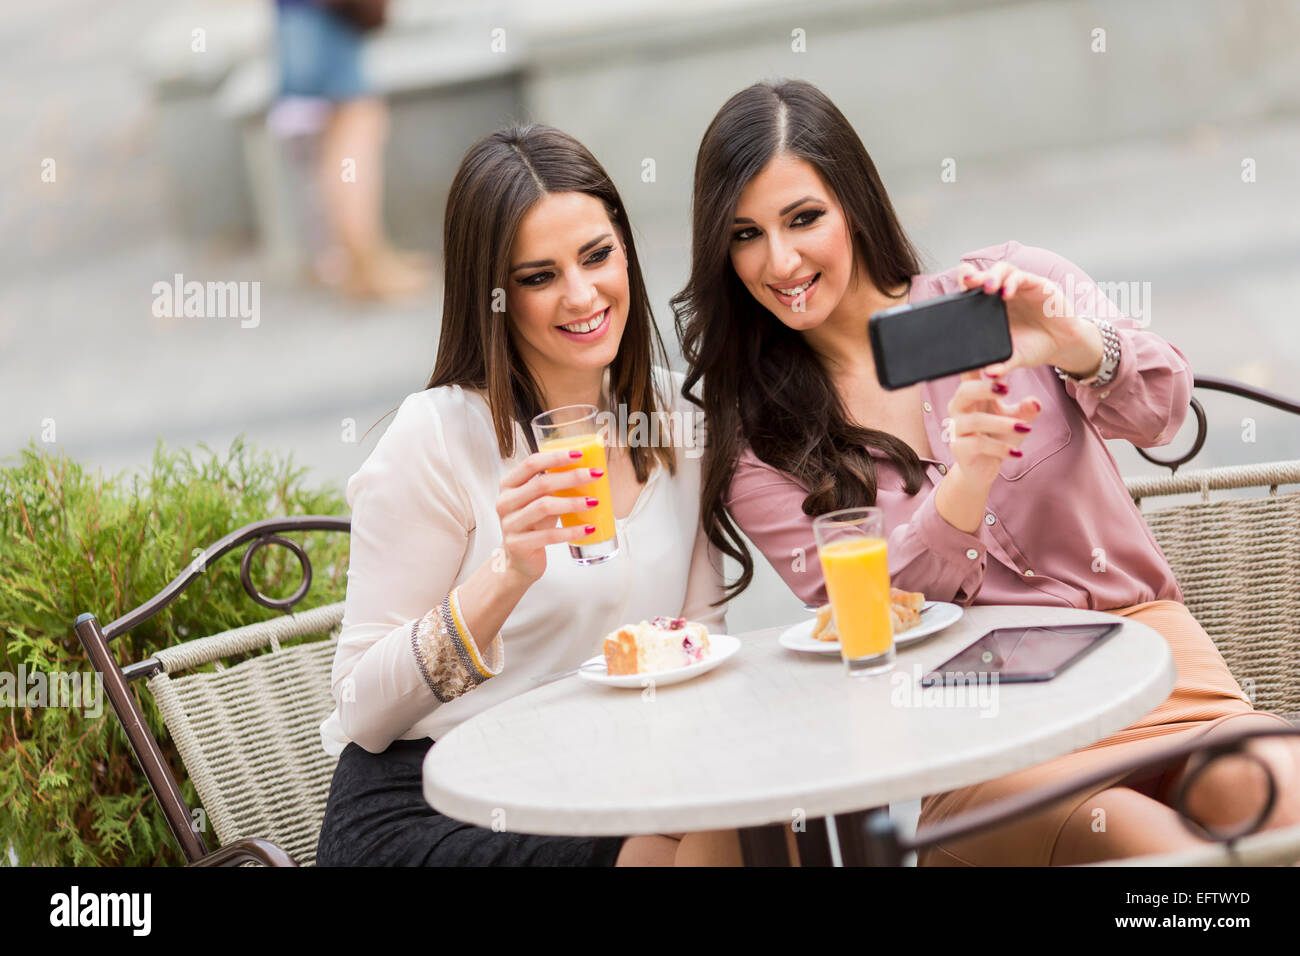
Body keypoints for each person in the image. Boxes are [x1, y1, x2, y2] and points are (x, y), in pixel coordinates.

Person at [671, 78, 1300, 866]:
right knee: (1156, 858)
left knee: (1280, 800)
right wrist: (963, 488)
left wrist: (1077, 345)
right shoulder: (756, 439)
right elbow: (862, 615)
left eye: (804, 218)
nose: (781, 260)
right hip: (979, 727)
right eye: (745, 235)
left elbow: (1163, 411)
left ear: (855, 203)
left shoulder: (1002, 287)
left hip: (1151, 667)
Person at [314, 123, 737, 866]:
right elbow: (362, 710)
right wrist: (506, 574)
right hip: (434, 799)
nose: (582, 295)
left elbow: (694, 638)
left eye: (598, 256)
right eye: (539, 277)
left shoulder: (679, 420)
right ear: (496, 296)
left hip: (602, 780)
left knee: (762, 823)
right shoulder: (439, 437)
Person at [271, 0, 432, 299]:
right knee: (355, 131)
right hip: (325, 21)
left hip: (301, 21)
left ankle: (355, 262)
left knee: (338, 140)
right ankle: (368, 264)